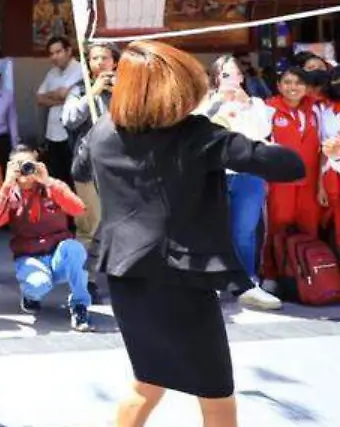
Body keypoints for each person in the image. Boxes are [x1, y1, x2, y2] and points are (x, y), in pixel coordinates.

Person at [86, 40, 306, 427]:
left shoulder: (103, 131)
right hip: (180, 277)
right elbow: (288, 165)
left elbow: (79, 168)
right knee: (216, 393)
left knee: (147, 382)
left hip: (125, 273)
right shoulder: (196, 134)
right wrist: (238, 129)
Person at [199, 55, 281, 310]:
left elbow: (261, 132)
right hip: (215, 174)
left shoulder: (256, 103)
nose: (230, 80)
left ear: (242, 77)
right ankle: (214, 278)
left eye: (234, 74)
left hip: (248, 173)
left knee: (244, 231)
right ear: (215, 78)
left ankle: (247, 280)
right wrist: (217, 103)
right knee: (212, 229)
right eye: (224, 75)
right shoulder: (207, 102)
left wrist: (247, 105)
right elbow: (198, 128)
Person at [0, 144, 92, 331]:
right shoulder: (10, 193)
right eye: (19, 165)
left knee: (74, 249)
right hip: (30, 257)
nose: (25, 170)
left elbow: (78, 208)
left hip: (58, 256)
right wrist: (6, 184)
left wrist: (48, 182)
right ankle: (31, 295)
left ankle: (80, 306)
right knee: (39, 285)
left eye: (28, 164)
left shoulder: (52, 186)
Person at [60, 41, 118, 303]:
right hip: (89, 168)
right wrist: (92, 94)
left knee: (122, 226)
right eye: (94, 58)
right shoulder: (80, 89)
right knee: (90, 227)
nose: (100, 63)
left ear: (115, 61)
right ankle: (86, 281)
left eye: (105, 58)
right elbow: (70, 119)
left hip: (121, 169)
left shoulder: (127, 89)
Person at [262, 67, 325, 285]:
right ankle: (271, 276)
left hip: (309, 182)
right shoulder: (267, 109)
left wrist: (321, 185)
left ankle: (309, 276)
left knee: (309, 229)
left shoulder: (316, 109)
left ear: (306, 88)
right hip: (280, 182)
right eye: (287, 82)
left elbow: (324, 147)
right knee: (276, 228)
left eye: (298, 83)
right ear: (279, 86)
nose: (293, 87)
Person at [35, 35, 83, 186]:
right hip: (53, 133)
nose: (54, 57)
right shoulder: (52, 73)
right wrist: (61, 97)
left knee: (73, 177)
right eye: (51, 53)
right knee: (56, 177)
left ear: (68, 51)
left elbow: (60, 94)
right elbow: (39, 98)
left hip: (72, 132)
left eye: (58, 52)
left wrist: (55, 95)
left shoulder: (79, 69)